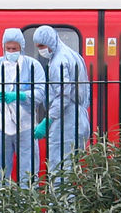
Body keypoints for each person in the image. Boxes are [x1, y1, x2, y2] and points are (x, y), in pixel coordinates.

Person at [0, 28, 46, 187]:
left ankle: (28, 205)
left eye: (14, 49)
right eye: (8, 48)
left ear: (21, 47)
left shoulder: (32, 66)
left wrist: (21, 96)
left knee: (28, 171)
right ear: (3, 47)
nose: (11, 52)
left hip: (25, 125)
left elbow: (41, 93)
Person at [32, 25, 91, 180]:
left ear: (50, 41)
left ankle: (61, 204)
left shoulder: (58, 61)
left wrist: (47, 120)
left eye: (42, 46)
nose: (41, 50)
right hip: (77, 117)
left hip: (65, 120)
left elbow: (63, 95)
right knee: (70, 166)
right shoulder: (73, 55)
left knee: (59, 169)